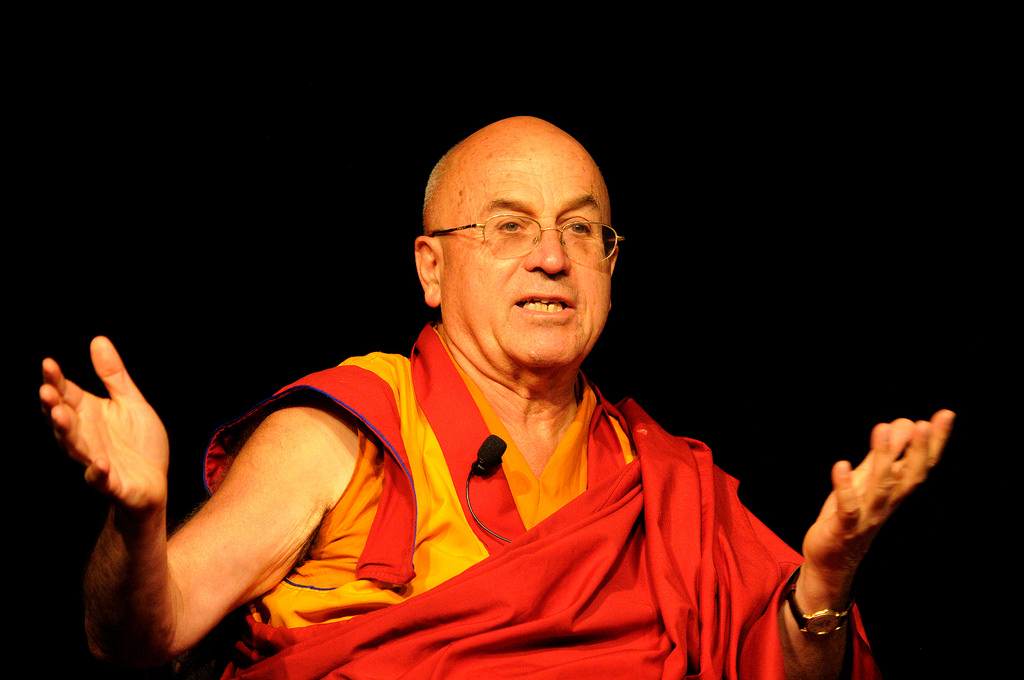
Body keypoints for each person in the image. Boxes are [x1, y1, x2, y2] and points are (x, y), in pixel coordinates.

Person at [40, 116, 955, 679]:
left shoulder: (661, 476)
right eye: (509, 227)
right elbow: (135, 639)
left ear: (611, 267)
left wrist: (825, 580)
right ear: (430, 268)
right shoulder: (346, 434)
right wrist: (137, 522)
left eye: (581, 230)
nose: (551, 256)